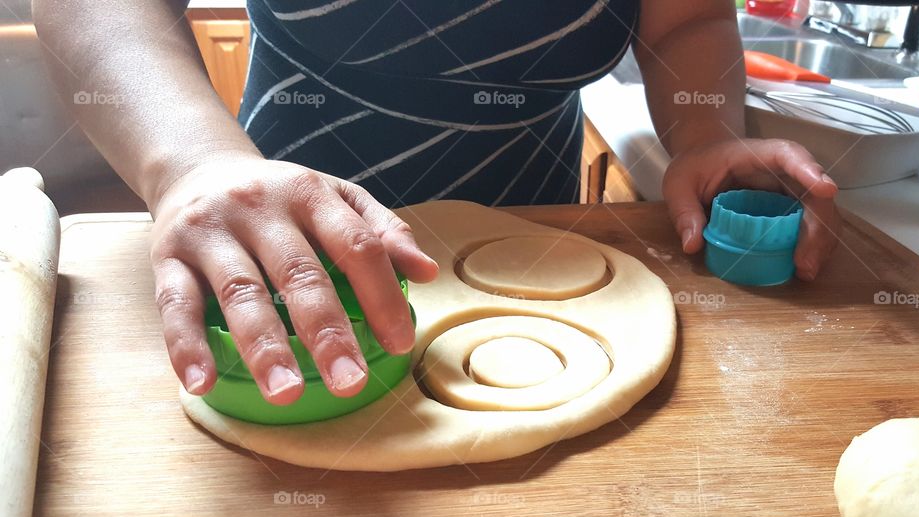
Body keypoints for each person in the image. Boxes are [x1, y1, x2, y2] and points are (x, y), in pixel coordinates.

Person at [35, 0, 839, 406]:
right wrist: (191, 162)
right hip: (272, 227)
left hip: (538, 225)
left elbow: (689, 13)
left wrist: (704, 131)